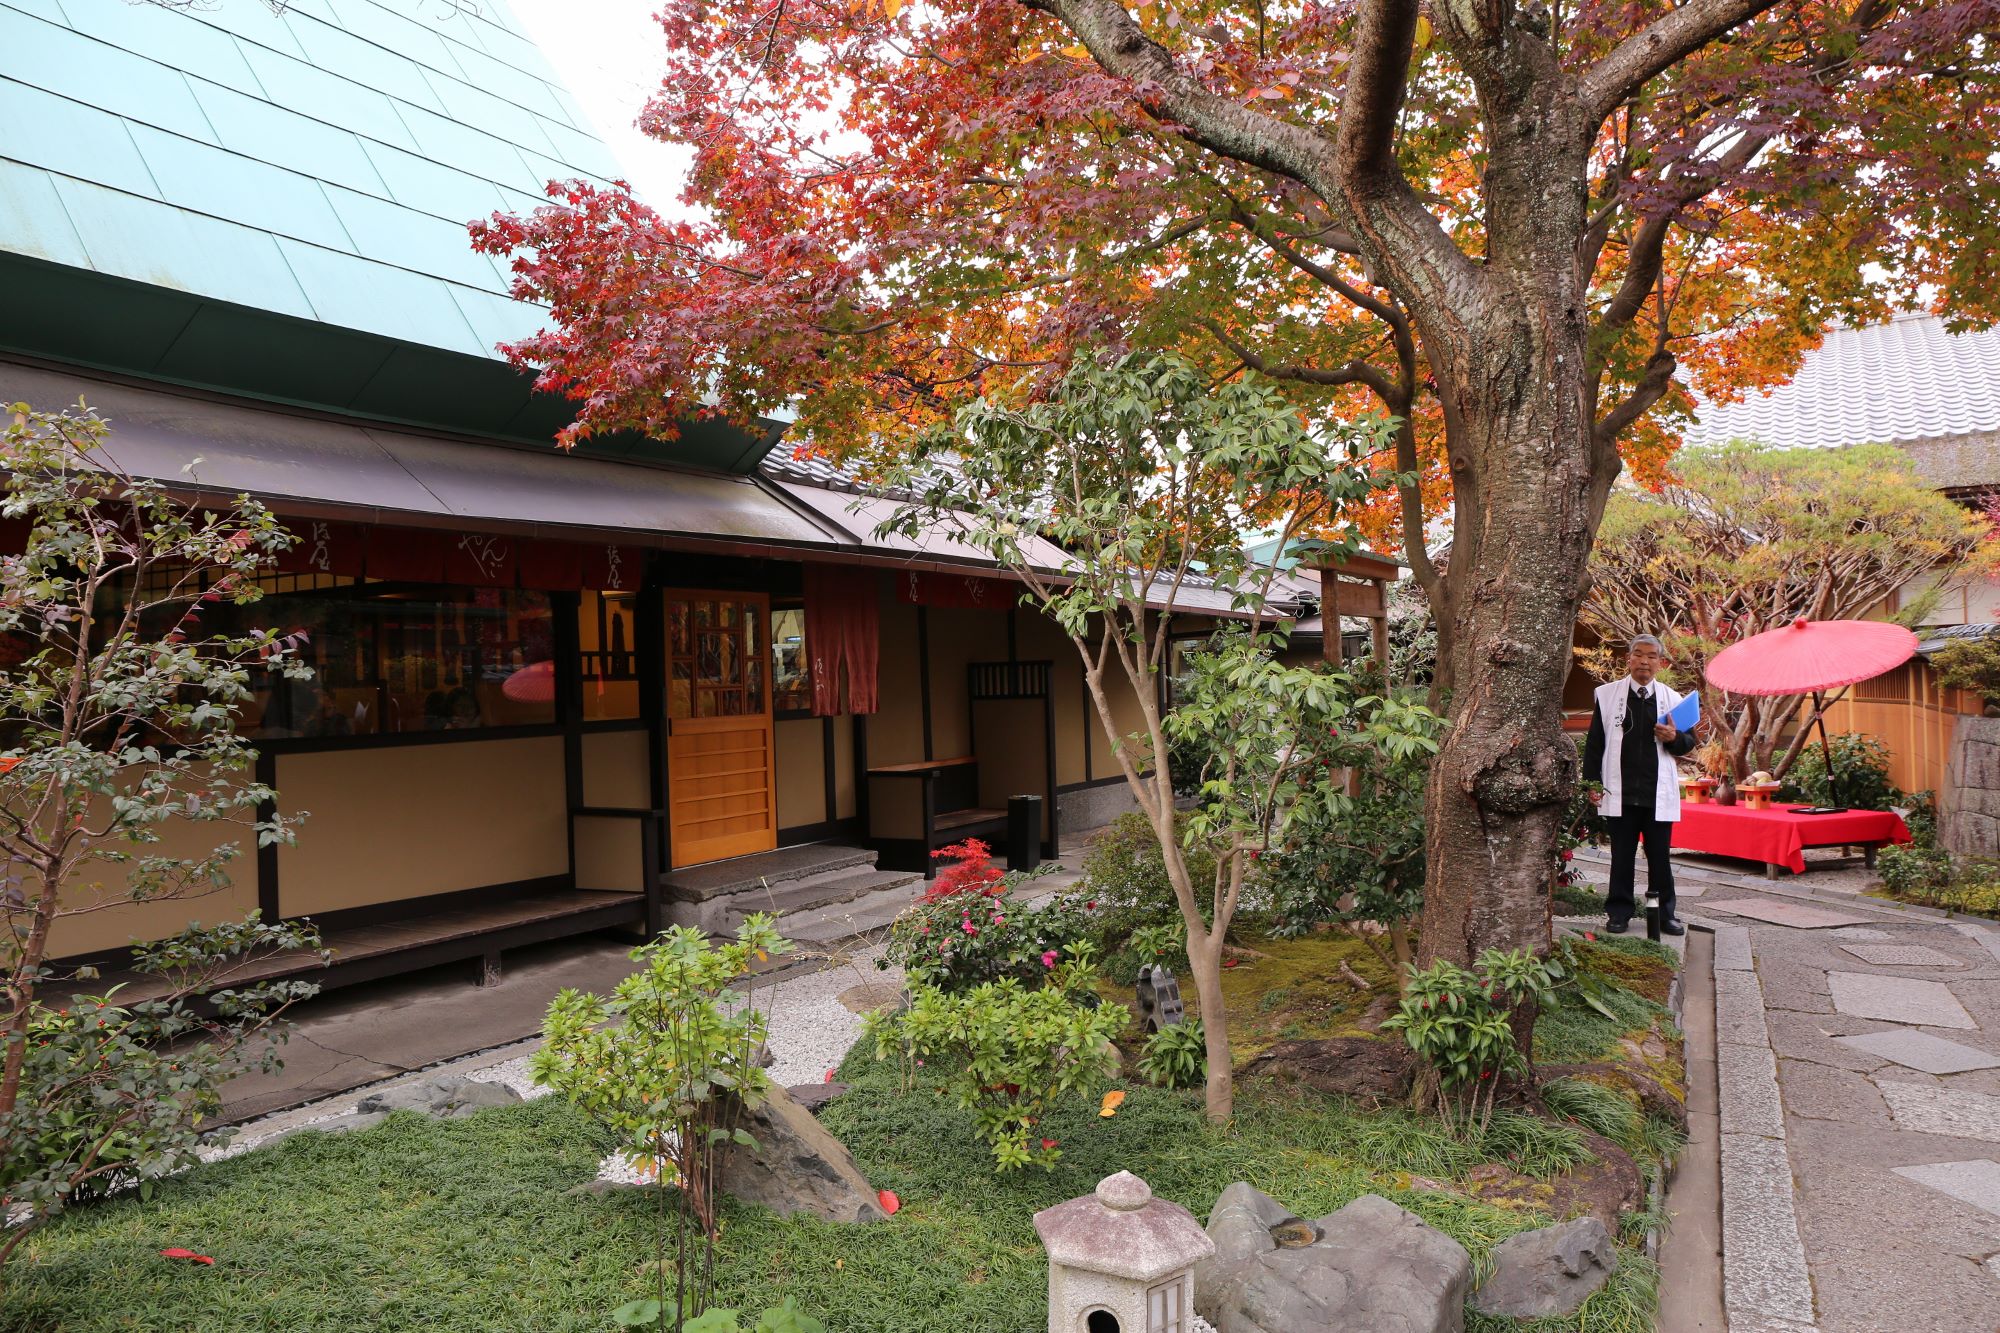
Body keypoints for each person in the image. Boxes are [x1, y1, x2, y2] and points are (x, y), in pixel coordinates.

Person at [1582, 634, 1697, 935]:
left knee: (1660, 858)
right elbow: (1595, 744)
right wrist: (1591, 782)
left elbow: (1688, 743)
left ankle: (1664, 915)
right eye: (1638, 655)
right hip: (1620, 791)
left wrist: (1674, 739)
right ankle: (1619, 912)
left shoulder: (1672, 699)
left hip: (1656, 792)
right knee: (1622, 856)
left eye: (1651, 656)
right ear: (1628, 659)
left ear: (1660, 663)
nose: (1644, 661)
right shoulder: (1607, 696)